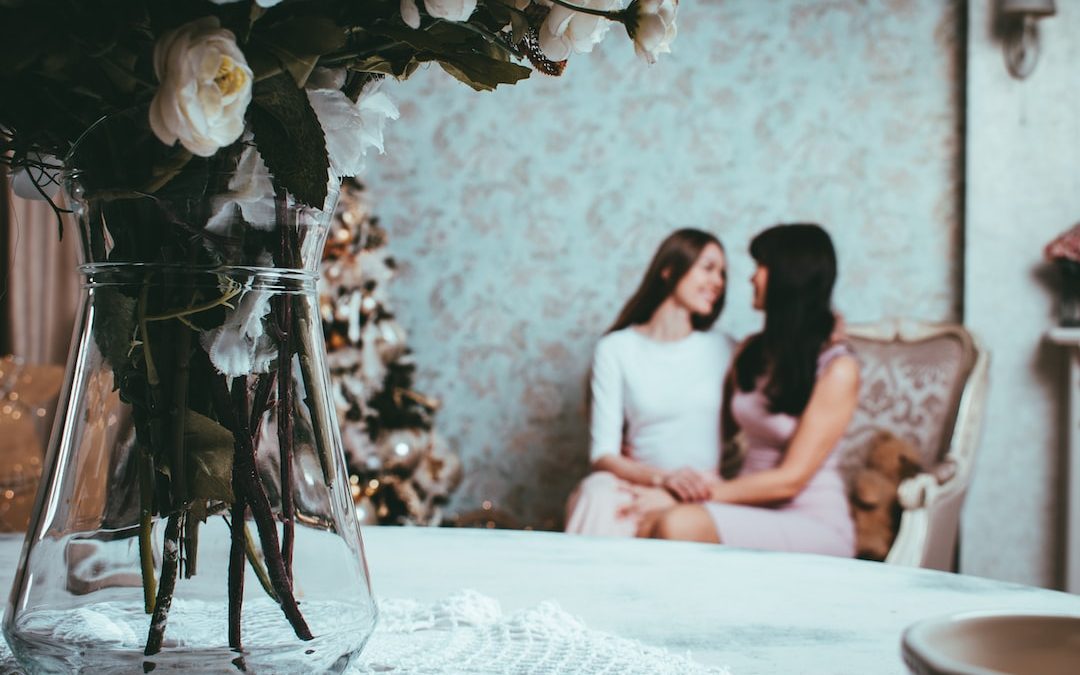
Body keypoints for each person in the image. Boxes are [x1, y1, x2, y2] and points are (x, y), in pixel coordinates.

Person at [636, 223, 859, 557]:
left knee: (677, 524)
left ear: (789, 276)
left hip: (811, 520)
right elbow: (703, 419)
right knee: (644, 523)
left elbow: (789, 480)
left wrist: (689, 495)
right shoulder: (751, 351)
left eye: (761, 267)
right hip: (748, 509)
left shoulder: (837, 368)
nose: (751, 278)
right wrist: (641, 450)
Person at [565, 228, 734, 537]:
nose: (718, 282)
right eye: (708, 268)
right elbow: (602, 455)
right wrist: (663, 480)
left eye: (722, 273)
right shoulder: (616, 348)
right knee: (596, 495)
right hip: (637, 482)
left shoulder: (725, 349)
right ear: (669, 270)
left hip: (703, 487)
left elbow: (786, 359)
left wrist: (829, 330)